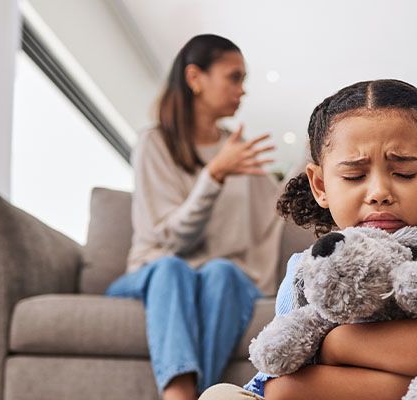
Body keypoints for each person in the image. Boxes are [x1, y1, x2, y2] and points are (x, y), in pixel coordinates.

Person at [203, 79, 417, 400]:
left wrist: (338, 345)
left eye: (403, 174)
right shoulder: (309, 269)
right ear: (320, 186)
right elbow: (281, 377)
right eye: (354, 176)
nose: (379, 193)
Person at [105, 34, 282, 400]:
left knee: (224, 271)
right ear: (195, 78)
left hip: (217, 276)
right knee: (172, 267)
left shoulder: (236, 149)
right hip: (153, 273)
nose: (242, 91)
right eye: (234, 77)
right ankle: (182, 393)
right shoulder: (155, 143)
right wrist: (214, 176)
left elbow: (279, 208)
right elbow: (171, 241)